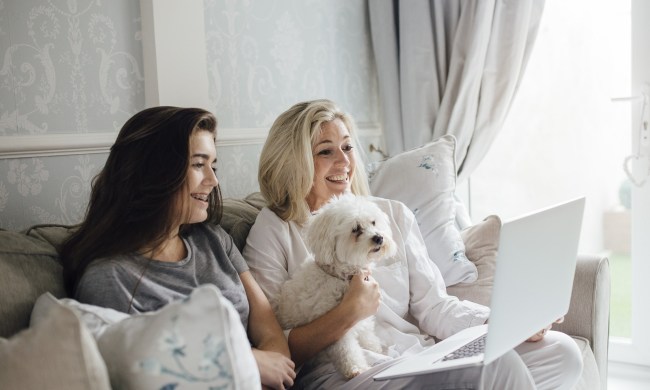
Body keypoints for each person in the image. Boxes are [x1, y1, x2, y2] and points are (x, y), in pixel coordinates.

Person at [242, 99, 583, 389]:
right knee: (497, 368)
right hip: (347, 373)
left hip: (415, 356)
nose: (344, 162)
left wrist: (506, 325)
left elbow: (434, 306)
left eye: (347, 147)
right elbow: (278, 345)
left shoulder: (390, 214)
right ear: (294, 160)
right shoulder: (274, 229)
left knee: (562, 353)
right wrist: (348, 312)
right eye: (325, 152)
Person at [60, 106, 296, 390]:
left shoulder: (215, 240)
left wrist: (268, 365)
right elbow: (141, 375)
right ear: (155, 171)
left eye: (213, 165)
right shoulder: (110, 278)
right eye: (199, 165)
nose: (213, 180)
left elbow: (269, 329)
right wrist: (245, 362)